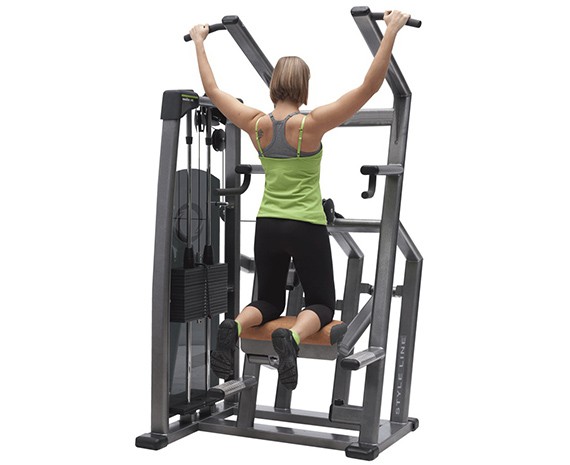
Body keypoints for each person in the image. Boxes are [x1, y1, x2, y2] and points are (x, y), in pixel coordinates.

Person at [189, 10, 410, 390]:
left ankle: (234, 325)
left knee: (269, 301)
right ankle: (290, 337)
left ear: (274, 86)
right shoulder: (311, 124)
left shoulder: (255, 124)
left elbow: (213, 89)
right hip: (305, 225)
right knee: (321, 303)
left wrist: (199, 41)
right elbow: (370, 87)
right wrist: (390, 31)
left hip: (267, 225)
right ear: (304, 87)